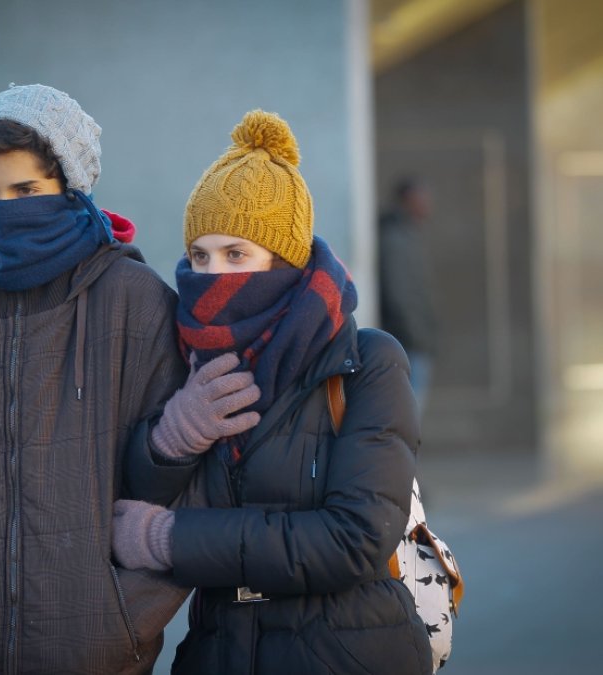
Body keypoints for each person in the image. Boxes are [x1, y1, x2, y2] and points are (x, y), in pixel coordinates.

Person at [0, 84, 239, 674]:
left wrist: (123, 620)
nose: (5, 208)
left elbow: (194, 485)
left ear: (70, 186)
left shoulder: (139, 307)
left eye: (26, 190)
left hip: (101, 658)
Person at [113, 110, 433, 674]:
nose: (213, 276)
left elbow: (353, 539)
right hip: (219, 651)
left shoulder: (366, 362)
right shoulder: (187, 358)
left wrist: (170, 539)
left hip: (346, 652)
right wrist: (171, 439)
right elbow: (136, 494)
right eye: (199, 256)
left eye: (237, 255)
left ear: (284, 260)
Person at [378, 177, 438, 415]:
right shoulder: (395, 237)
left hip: (415, 340)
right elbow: (399, 294)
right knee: (406, 414)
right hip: (407, 342)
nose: (427, 204)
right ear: (407, 200)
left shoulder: (408, 234)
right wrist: (416, 335)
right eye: (421, 198)